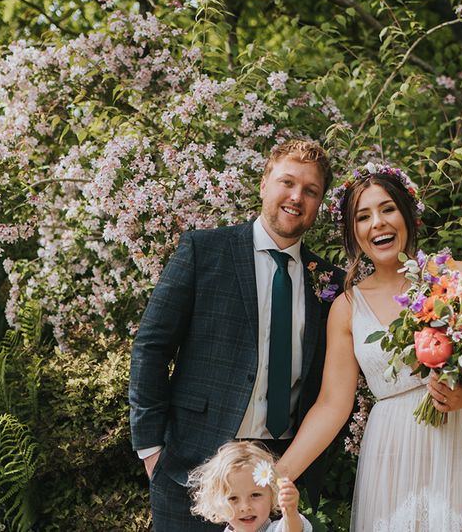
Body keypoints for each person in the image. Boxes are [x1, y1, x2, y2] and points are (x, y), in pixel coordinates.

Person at [277, 163, 462, 531]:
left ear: (408, 215)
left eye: (387, 209)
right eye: (363, 216)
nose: (377, 223)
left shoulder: (459, 276)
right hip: (393, 454)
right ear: (353, 232)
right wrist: (275, 478)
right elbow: (332, 404)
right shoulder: (347, 307)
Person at [129, 139, 345, 530]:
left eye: (310, 191)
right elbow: (152, 347)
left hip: (281, 478)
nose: (296, 197)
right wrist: (151, 451)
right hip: (190, 471)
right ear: (264, 183)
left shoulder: (330, 283)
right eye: (287, 182)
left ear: (319, 203)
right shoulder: (204, 251)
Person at [188, 441, 312, 532]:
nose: (245, 507)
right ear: (217, 502)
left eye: (255, 495)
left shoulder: (276, 529)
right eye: (233, 498)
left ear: (273, 494)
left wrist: (290, 512)